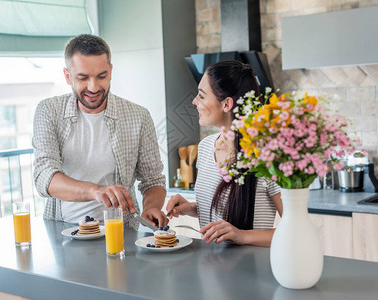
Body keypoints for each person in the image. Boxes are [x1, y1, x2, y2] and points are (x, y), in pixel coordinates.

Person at [32, 34, 168, 229]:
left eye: (101, 76)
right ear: (67, 75)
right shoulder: (49, 111)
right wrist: (95, 191)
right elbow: (45, 177)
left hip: (122, 231)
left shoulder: (139, 116)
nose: (93, 87)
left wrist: (150, 207)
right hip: (64, 231)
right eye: (83, 78)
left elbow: (153, 180)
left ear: (111, 71)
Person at [166, 61, 282, 247]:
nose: (194, 101)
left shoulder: (267, 154)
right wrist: (194, 208)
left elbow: (295, 232)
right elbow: (225, 212)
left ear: (227, 104)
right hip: (210, 266)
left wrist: (242, 236)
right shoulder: (205, 147)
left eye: (202, 96)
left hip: (252, 268)